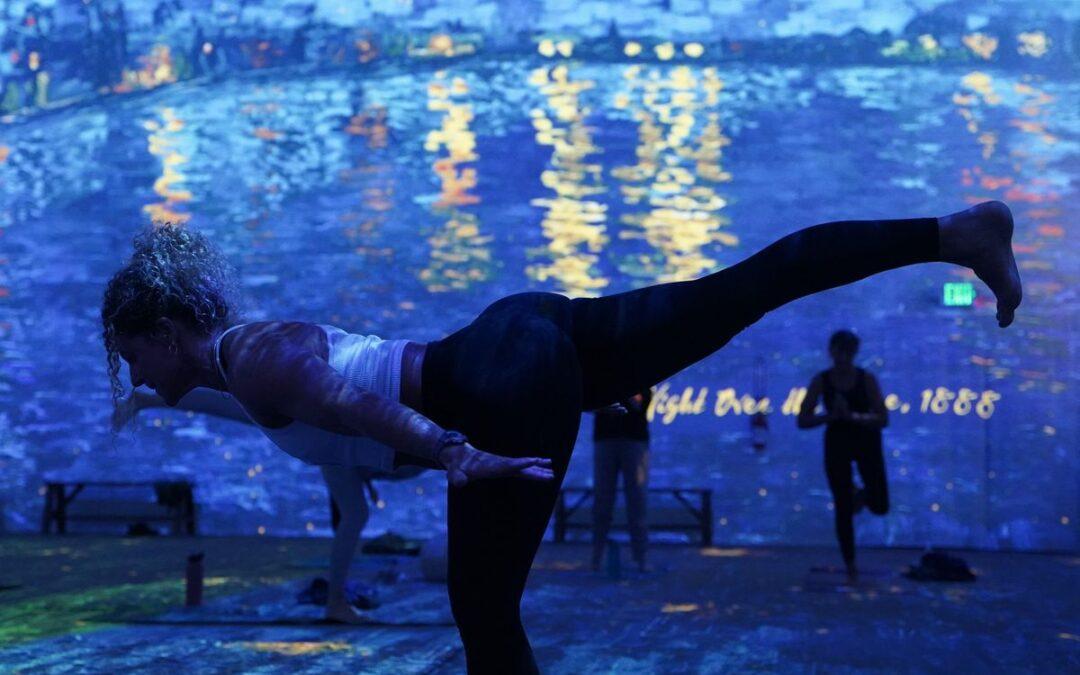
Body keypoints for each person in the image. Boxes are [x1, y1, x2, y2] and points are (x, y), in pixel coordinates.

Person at [101, 200, 1021, 673]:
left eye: (129, 354)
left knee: (483, 614)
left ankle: (956, 234)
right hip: (519, 339)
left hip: (496, 383)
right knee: (741, 290)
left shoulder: (257, 354)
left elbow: (355, 409)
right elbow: (301, 411)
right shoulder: (238, 364)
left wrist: (459, 455)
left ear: (163, 327)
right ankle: (954, 232)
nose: (129, 371)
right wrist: (158, 405)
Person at [111, 386, 425, 623]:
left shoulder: (416, 450)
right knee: (242, 409)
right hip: (336, 441)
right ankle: (335, 602)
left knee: (244, 410)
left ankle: (149, 398)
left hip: (341, 445)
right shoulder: (420, 450)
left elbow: (375, 453)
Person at [796, 330, 889, 581]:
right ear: (832, 351)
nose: (841, 358)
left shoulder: (866, 379)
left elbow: (882, 418)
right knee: (842, 506)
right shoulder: (822, 380)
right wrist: (831, 416)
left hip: (865, 439)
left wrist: (853, 417)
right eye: (838, 352)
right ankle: (850, 565)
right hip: (837, 440)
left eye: (846, 353)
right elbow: (802, 419)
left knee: (880, 504)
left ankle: (860, 496)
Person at [590, 389, 652, 572]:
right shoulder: (604, 374)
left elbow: (640, 403)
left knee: (637, 499)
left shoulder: (639, 371)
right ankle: (597, 557)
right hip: (607, 437)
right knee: (602, 500)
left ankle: (640, 558)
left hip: (633, 438)